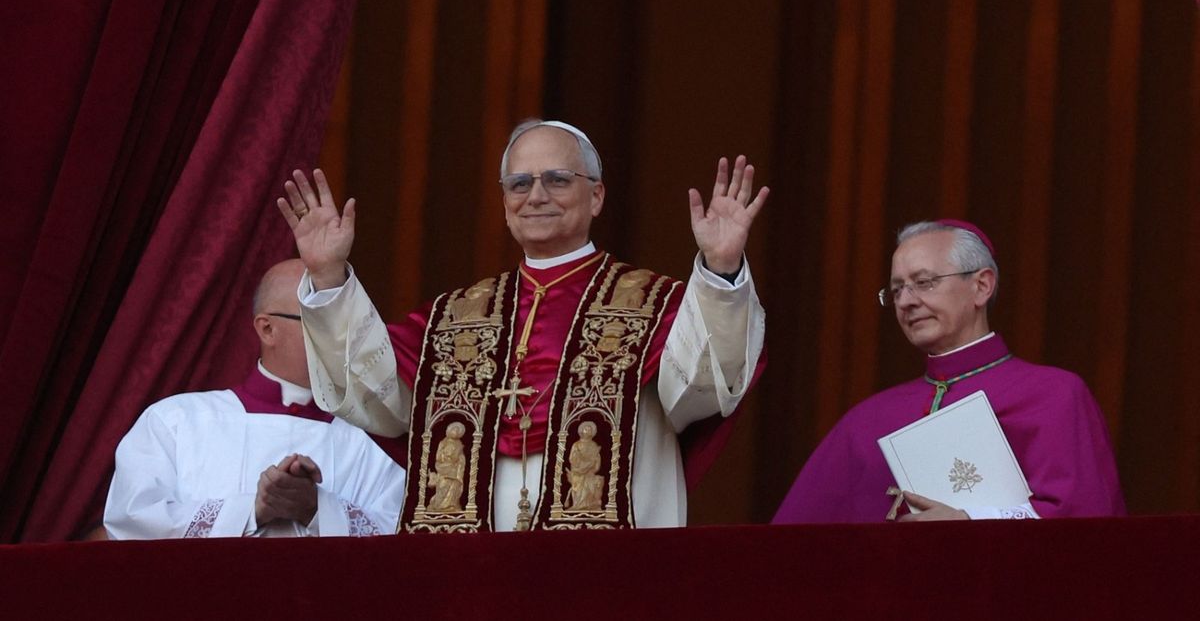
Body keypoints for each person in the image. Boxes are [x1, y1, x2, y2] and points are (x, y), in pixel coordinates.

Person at [278, 119, 768, 531]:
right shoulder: (454, 318)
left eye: (557, 179)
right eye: (519, 183)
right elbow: (372, 393)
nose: (536, 195)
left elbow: (704, 386)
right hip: (471, 575)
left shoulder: (654, 306)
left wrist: (721, 270)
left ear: (596, 196)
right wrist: (327, 277)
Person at [773, 220, 1125, 523]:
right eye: (896, 290)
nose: (907, 301)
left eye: (924, 282)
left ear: (981, 286)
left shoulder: (1054, 395)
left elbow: (1087, 525)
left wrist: (971, 523)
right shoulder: (867, 420)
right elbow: (793, 543)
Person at [104, 259, 406, 538]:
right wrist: (252, 510)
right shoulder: (175, 422)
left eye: (346, 323)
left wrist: (316, 509)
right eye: (319, 321)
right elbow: (133, 522)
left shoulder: (382, 440)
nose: (341, 339)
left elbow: (405, 544)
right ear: (267, 329)